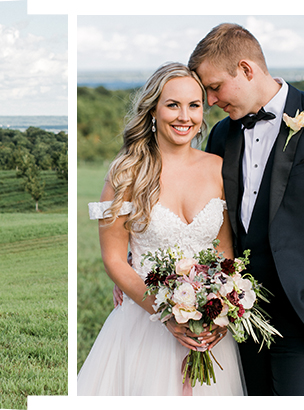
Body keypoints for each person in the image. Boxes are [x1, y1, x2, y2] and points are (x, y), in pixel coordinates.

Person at [193, 23, 304, 395]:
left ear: (246, 70)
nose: (210, 101)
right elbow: (202, 215)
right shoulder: (221, 135)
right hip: (239, 318)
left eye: (214, 87)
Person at [78, 62, 243, 395]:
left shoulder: (218, 169)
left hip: (208, 332)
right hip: (143, 325)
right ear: (153, 108)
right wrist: (166, 314)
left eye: (194, 105)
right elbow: (113, 260)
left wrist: (219, 309)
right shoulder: (127, 172)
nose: (185, 116)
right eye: (173, 105)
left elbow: (225, 252)